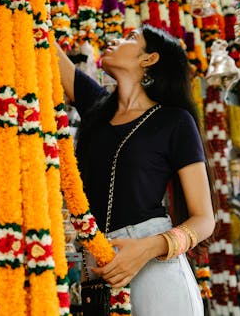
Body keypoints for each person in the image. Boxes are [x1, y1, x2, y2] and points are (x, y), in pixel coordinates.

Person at [56, 24, 217, 315]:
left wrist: (147, 249)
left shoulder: (174, 121)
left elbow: (204, 219)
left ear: (148, 59)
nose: (114, 40)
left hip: (153, 267)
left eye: (130, 38)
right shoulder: (97, 108)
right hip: (97, 268)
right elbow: (44, 50)